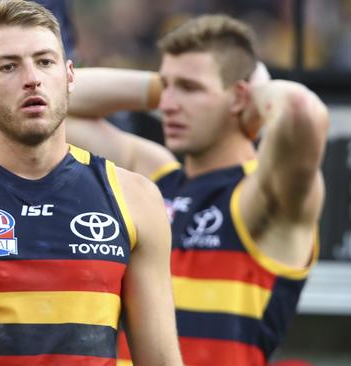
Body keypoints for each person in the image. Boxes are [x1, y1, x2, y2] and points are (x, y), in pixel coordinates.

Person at [0, 1, 182, 365]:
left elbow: (161, 360)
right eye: (8, 66)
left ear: (70, 76)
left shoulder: (135, 197)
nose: (32, 78)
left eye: (45, 62)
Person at [66, 14, 329, 366]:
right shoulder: (155, 179)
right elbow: (54, 100)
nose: (169, 105)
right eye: (167, 87)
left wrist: (258, 93)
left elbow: (301, 110)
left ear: (240, 97)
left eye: (189, 89)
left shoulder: (259, 195)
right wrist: (159, 88)